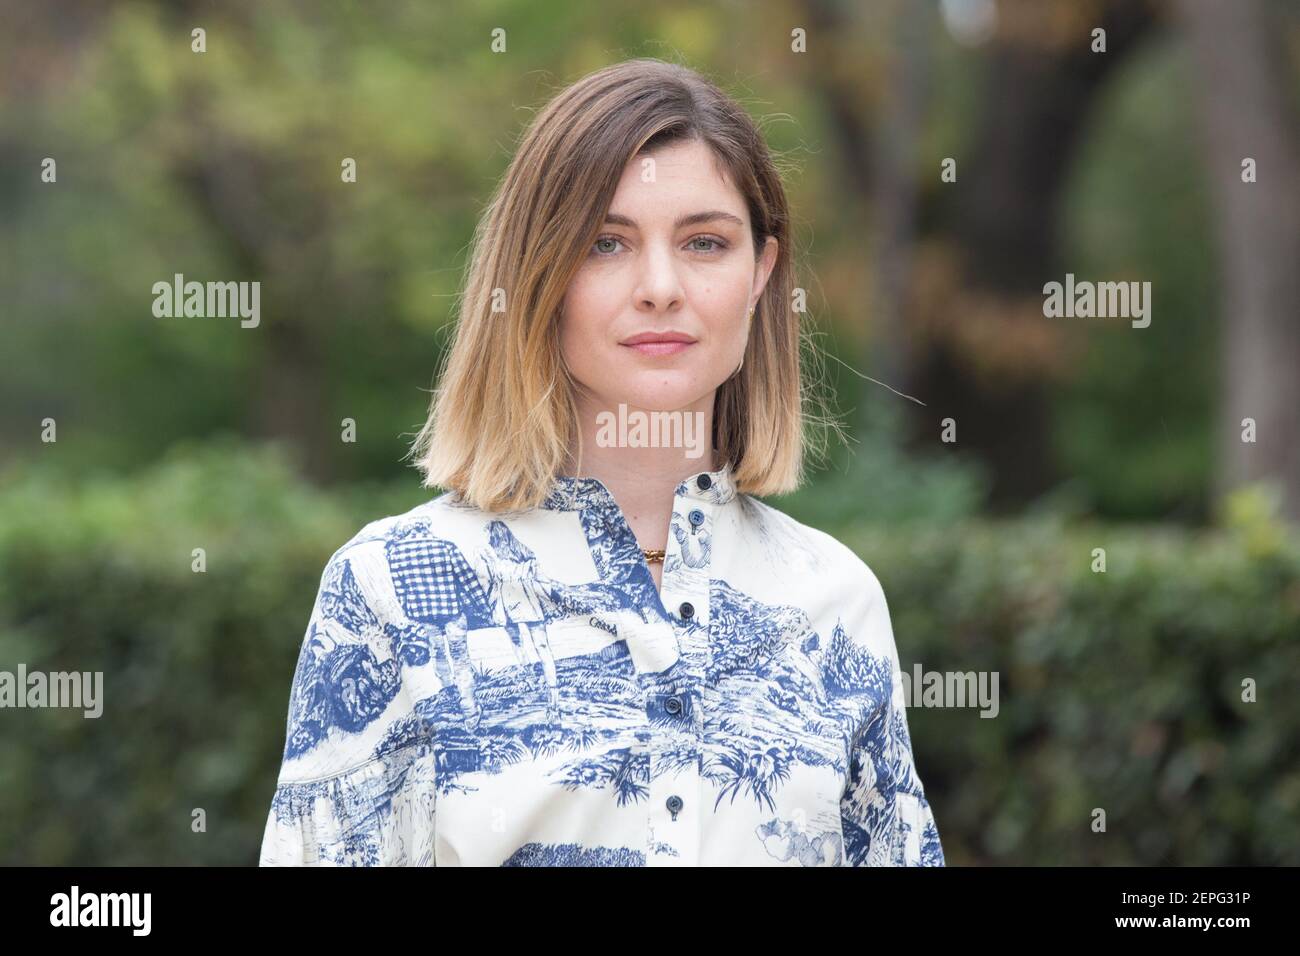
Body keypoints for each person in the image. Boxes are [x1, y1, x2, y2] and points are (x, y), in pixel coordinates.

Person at [258, 57, 944, 867]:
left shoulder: (837, 601)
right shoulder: (388, 590)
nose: (660, 286)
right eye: (606, 243)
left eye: (705, 242)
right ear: (536, 272)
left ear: (761, 273)